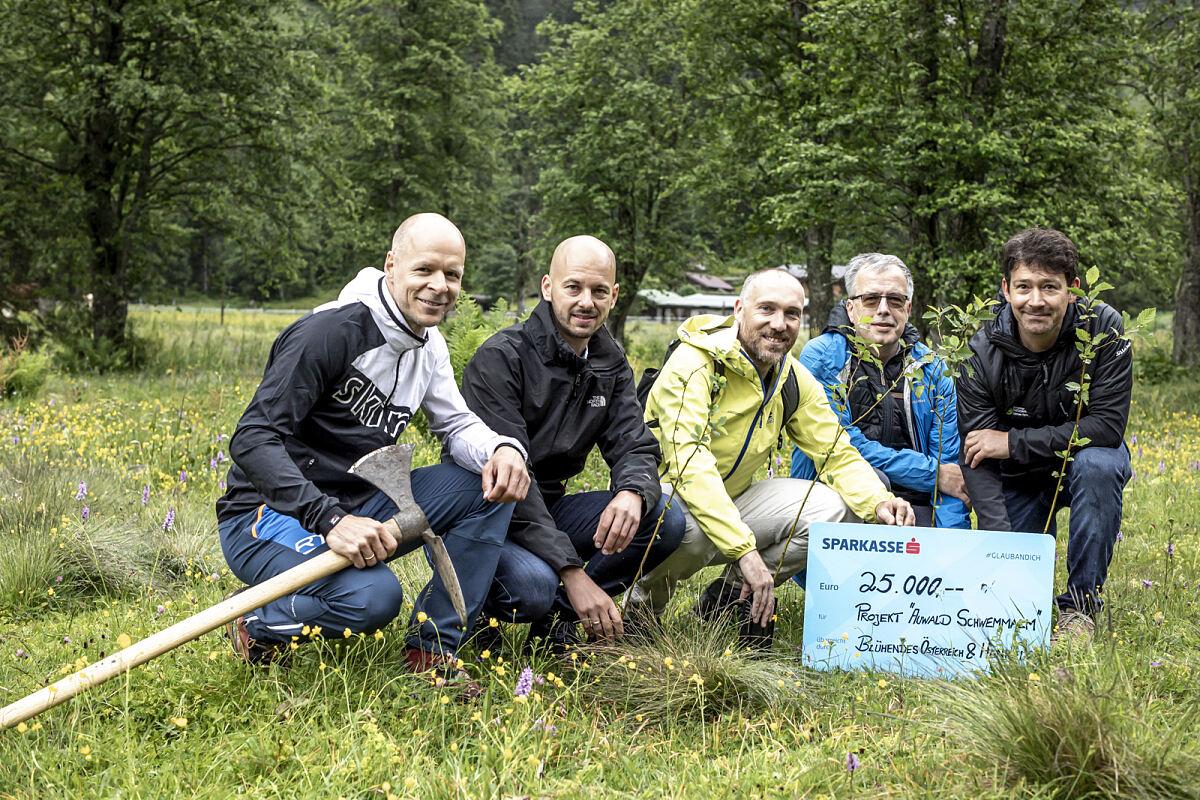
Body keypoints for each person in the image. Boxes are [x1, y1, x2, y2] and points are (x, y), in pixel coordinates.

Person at [217, 213, 530, 681]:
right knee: (373, 598)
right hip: (266, 513)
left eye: (452, 275)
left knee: (487, 485)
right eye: (424, 270)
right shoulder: (328, 332)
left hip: (359, 503)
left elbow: (456, 424)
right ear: (391, 265)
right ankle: (259, 622)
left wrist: (502, 450)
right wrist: (330, 520)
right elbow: (252, 439)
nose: (438, 286)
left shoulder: (430, 346)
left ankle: (431, 648)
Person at [627, 267, 915, 648]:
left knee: (830, 509)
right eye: (767, 310)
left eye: (792, 314)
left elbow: (834, 451)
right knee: (689, 529)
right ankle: (641, 613)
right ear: (739, 310)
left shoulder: (790, 377)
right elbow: (689, 465)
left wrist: (880, 502)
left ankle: (728, 600)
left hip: (734, 497)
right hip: (670, 499)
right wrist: (744, 550)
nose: (779, 324)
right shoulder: (695, 362)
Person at [460, 235, 685, 650]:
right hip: (485, 515)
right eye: (574, 287)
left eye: (599, 291)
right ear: (548, 287)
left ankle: (557, 623)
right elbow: (511, 481)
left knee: (665, 518)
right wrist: (571, 570)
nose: (586, 302)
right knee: (532, 586)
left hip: (549, 507)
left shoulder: (610, 362)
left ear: (614, 296)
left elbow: (635, 444)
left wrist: (633, 492)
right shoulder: (501, 358)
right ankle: (463, 611)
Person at [957, 227, 1132, 640]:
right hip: (1018, 475)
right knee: (1014, 601)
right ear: (1005, 289)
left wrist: (1013, 442)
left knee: (1099, 465)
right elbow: (977, 452)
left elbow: (1106, 427)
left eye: (1049, 287)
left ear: (1072, 290)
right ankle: (1028, 600)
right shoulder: (978, 351)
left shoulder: (1103, 328)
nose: (1035, 300)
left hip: (1082, 461)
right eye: (1024, 286)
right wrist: (999, 542)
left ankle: (1080, 609)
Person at [791, 253, 970, 530]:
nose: (883, 309)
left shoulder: (934, 370)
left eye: (895, 300)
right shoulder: (823, 358)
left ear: (908, 310)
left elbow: (950, 472)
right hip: (838, 502)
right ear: (850, 308)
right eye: (871, 299)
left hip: (915, 506)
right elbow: (841, 447)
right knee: (876, 479)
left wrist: (952, 548)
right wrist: (933, 475)